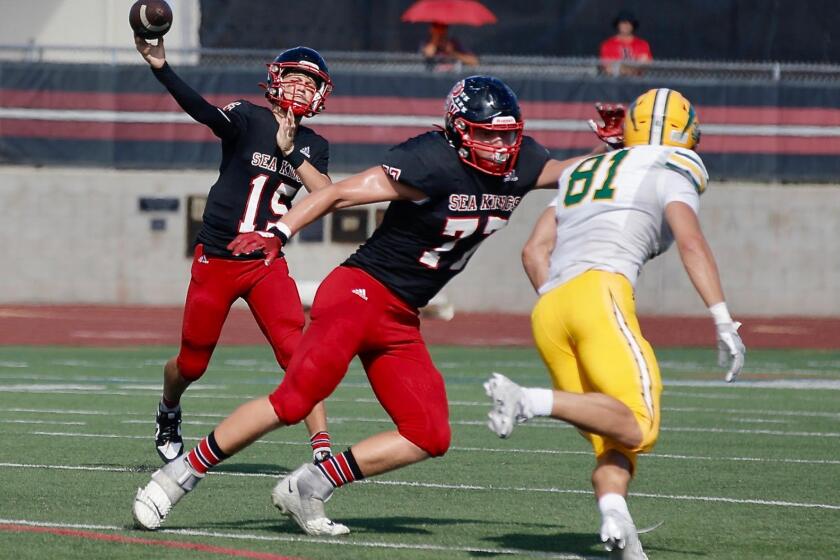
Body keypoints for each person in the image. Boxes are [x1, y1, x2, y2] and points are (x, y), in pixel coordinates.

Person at [131, 75, 593, 536]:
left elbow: (581, 171)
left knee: (430, 432)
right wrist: (279, 232)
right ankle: (176, 477)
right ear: (457, 130)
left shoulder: (524, 162)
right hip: (359, 293)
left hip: (400, 315)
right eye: (486, 134)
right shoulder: (430, 160)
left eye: (506, 134)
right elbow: (338, 192)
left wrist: (629, 147)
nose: (498, 146)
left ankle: (310, 485)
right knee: (293, 401)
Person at [484, 88, 746, 559]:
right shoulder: (674, 165)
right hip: (599, 292)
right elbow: (691, 240)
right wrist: (723, 318)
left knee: (614, 436)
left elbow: (533, 251)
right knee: (640, 425)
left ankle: (618, 522)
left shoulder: (584, 167)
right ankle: (528, 401)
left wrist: (560, 301)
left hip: (550, 308)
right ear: (683, 133)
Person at [134, 36, 336, 465]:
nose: (300, 89)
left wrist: (291, 151)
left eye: (309, 82)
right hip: (218, 260)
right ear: (275, 81)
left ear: (320, 93)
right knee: (192, 364)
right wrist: (161, 68)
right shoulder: (248, 117)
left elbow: (327, 195)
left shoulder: (314, 145)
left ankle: (322, 448)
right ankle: (169, 407)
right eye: (294, 79)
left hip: (266, 263)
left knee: (297, 353)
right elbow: (205, 112)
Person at [599, 11, 652, 77]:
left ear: (633, 25)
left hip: (637, 82)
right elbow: (608, 69)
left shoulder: (641, 44)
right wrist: (635, 66)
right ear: (618, 24)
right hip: (614, 82)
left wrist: (621, 68)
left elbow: (646, 64)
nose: (626, 25)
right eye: (623, 22)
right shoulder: (608, 44)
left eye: (629, 22)